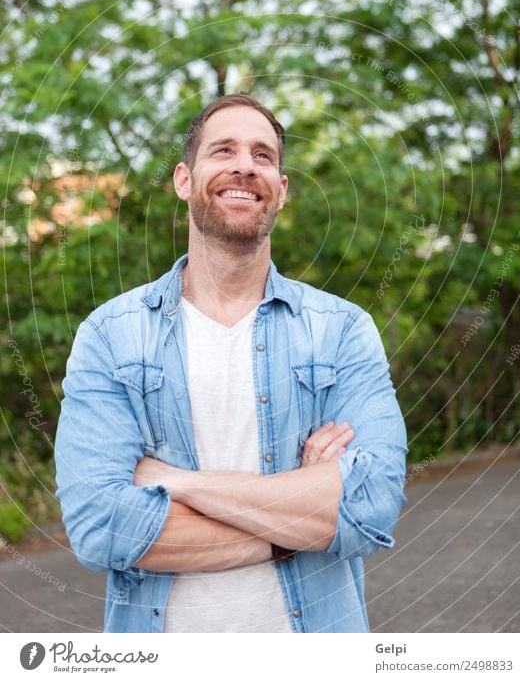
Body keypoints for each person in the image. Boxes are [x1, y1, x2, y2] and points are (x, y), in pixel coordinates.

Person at [55, 92, 407, 633]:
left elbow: (371, 509)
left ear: (281, 190)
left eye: (263, 155)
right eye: (223, 150)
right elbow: (102, 529)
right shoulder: (111, 336)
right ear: (183, 180)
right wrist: (298, 521)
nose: (245, 164)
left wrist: (177, 483)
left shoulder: (340, 331)